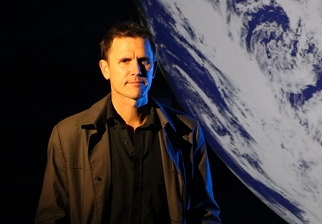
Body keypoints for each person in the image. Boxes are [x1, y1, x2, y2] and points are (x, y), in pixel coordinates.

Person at [36, 21, 221, 223]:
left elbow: (205, 214)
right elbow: (51, 216)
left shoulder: (186, 132)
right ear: (105, 69)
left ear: (155, 68)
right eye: (125, 60)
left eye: (144, 60)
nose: (136, 69)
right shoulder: (69, 135)